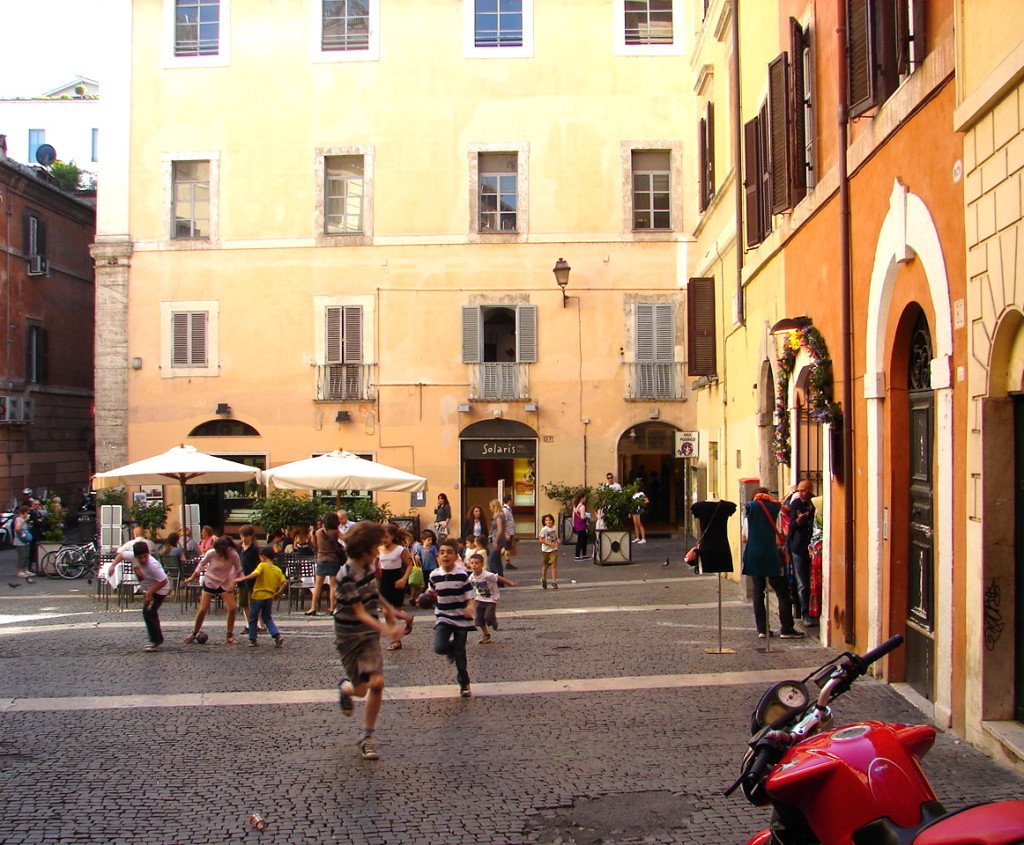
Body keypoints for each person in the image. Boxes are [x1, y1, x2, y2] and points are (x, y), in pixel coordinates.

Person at [334, 522, 413, 761]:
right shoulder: (345, 575)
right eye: (375, 548)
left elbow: (374, 593)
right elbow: (358, 612)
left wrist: (394, 612)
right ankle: (345, 688)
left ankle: (367, 737)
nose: (378, 552)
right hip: (349, 635)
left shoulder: (369, 567)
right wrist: (390, 630)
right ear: (364, 549)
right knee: (360, 689)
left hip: (369, 633)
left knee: (377, 683)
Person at [741, 488, 805, 640]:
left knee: (758, 592)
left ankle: (762, 629)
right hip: (771, 554)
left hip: (753, 554)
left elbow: (745, 538)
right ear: (768, 497)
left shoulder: (748, 511)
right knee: (782, 592)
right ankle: (786, 629)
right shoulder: (776, 510)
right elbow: (780, 534)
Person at [429, 538, 475, 697]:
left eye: (449, 552)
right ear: (438, 557)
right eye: (442, 553)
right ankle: (450, 651)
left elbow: (470, 595)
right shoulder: (434, 575)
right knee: (439, 647)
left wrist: (470, 607)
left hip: (461, 618)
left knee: (460, 654)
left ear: (456, 557)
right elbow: (431, 592)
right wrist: (423, 598)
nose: (445, 555)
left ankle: (464, 683)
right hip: (443, 617)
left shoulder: (462, 575)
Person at [182, 536, 243, 644]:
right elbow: (201, 564)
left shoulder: (233, 554)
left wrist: (234, 583)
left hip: (225, 582)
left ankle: (229, 634)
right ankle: (194, 633)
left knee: (232, 608)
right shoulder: (211, 553)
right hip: (210, 581)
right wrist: (192, 577)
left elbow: (238, 570)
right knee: (202, 609)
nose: (218, 553)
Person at [233, 545, 287, 647]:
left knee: (253, 618)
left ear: (263, 557)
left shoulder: (262, 565)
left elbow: (255, 574)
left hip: (258, 596)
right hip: (269, 597)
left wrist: (242, 579)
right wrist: (279, 592)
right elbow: (285, 582)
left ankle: (253, 639)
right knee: (267, 618)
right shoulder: (277, 570)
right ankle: (277, 635)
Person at [128, 541, 170, 652]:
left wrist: (150, 592)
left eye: (145, 556)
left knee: (149, 611)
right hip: (152, 588)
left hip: (160, 590)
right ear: (135, 556)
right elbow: (121, 555)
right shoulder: (132, 556)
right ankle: (156, 639)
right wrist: (113, 566)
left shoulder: (153, 564)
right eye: (140, 557)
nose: (143, 560)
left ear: (149, 554)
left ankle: (156, 640)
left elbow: (164, 581)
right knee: (149, 612)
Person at [785, 480, 817, 627]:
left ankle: (814, 610)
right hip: (799, 547)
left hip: (814, 546)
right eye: (799, 490)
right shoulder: (795, 504)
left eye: (803, 490)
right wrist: (799, 520)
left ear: (810, 489)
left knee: (813, 580)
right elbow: (791, 526)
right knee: (802, 582)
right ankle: (805, 613)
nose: (801, 493)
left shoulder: (815, 503)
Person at [377, 523, 413, 649]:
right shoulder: (379, 549)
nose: (384, 540)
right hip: (384, 581)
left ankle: (407, 619)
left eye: (386, 537)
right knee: (387, 612)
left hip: (397, 581)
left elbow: (410, 565)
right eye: (381, 537)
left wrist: (404, 579)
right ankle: (396, 640)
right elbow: (375, 565)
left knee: (396, 612)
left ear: (392, 536)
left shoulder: (400, 549)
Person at [468, 552, 516, 644]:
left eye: (477, 563)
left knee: (488, 617)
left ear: (482, 564)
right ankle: (486, 635)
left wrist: (510, 583)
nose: (474, 565)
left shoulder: (487, 575)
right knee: (479, 620)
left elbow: (499, 578)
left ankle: (493, 621)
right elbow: (472, 589)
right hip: (479, 599)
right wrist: (472, 601)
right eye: (472, 563)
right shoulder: (471, 578)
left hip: (491, 599)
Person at [308, 512, 345, 616]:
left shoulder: (318, 532)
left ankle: (313, 608)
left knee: (318, 585)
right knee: (333, 586)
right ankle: (332, 608)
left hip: (321, 559)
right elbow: (348, 539)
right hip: (333, 559)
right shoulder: (336, 532)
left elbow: (315, 545)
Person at [237, 524, 261, 624]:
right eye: (242, 536)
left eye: (246, 536)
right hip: (241, 579)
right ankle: (248, 624)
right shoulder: (239, 548)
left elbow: (259, 564)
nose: (244, 538)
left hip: (252, 579)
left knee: (254, 603)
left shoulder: (255, 549)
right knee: (243, 603)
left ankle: (259, 623)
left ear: (251, 536)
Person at [537, 513, 560, 588]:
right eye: (546, 520)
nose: (549, 521)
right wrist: (549, 544)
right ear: (544, 522)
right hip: (545, 550)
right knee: (546, 565)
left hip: (553, 549)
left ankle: (554, 581)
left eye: (550, 520)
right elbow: (540, 539)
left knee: (554, 565)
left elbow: (556, 536)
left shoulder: (555, 527)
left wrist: (558, 540)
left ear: (553, 520)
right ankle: (543, 578)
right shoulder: (544, 529)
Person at [486, 499, 507, 577]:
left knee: (491, 560)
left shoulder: (499, 516)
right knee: (498, 560)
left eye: (491, 507)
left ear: (495, 507)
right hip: (501, 539)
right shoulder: (502, 515)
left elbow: (500, 529)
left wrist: (495, 541)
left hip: (498, 540)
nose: (490, 508)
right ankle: (501, 578)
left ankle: (496, 577)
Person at [13, 505, 32, 578]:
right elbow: (17, 529)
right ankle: (19, 571)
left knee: (27, 556)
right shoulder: (18, 519)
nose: (27, 514)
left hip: (25, 540)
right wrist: (24, 521)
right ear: (23, 513)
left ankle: (25, 570)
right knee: (22, 556)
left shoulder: (24, 520)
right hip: (19, 541)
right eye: (27, 513)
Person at [501, 493, 518, 570]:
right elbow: (504, 522)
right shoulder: (505, 510)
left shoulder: (508, 509)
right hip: (508, 532)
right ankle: (507, 563)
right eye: (511, 500)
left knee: (507, 547)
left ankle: (498, 557)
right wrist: (507, 533)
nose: (512, 502)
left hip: (511, 531)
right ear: (509, 501)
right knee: (507, 548)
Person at [571, 492, 589, 560]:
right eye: (584, 497)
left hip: (577, 525)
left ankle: (582, 555)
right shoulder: (582, 506)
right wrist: (587, 516)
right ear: (582, 498)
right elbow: (582, 517)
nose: (585, 499)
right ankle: (578, 555)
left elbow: (573, 516)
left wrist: (574, 524)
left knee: (581, 539)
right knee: (582, 540)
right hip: (582, 525)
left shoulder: (575, 506)